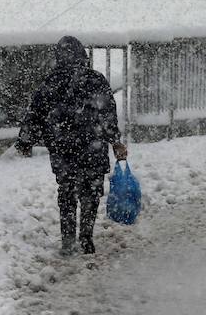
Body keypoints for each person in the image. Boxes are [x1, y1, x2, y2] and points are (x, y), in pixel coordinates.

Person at [16, 36, 128, 255]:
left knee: (67, 191)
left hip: (62, 148)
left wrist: (26, 141)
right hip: (92, 146)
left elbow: (35, 114)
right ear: (83, 56)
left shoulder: (50, 82)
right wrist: (114, 141)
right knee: (91, 191)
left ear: (59, 57)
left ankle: (68, 240)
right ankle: (86, 237)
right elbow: (107, 114)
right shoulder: (96, 80)